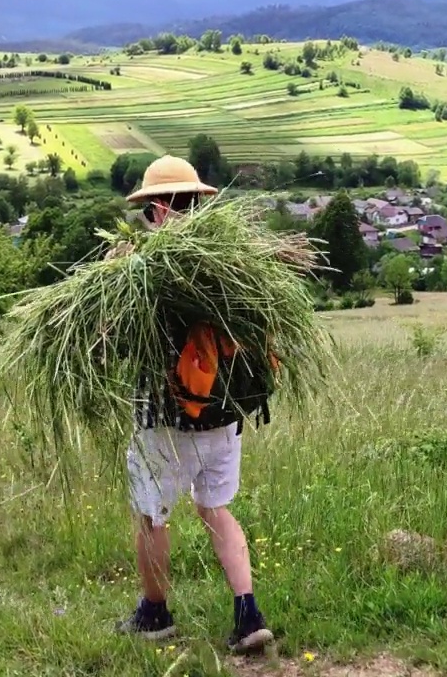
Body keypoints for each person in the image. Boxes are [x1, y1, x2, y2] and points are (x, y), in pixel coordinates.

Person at [111, 155, 274, 654]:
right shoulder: (234, 264)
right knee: (217, 510)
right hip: (224, 417)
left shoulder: (144, 271)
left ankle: (154, 613)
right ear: (197, 203)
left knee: (152, 515)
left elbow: (119, 339)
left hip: (164, 419)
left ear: (157, 208)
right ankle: (248, 614)